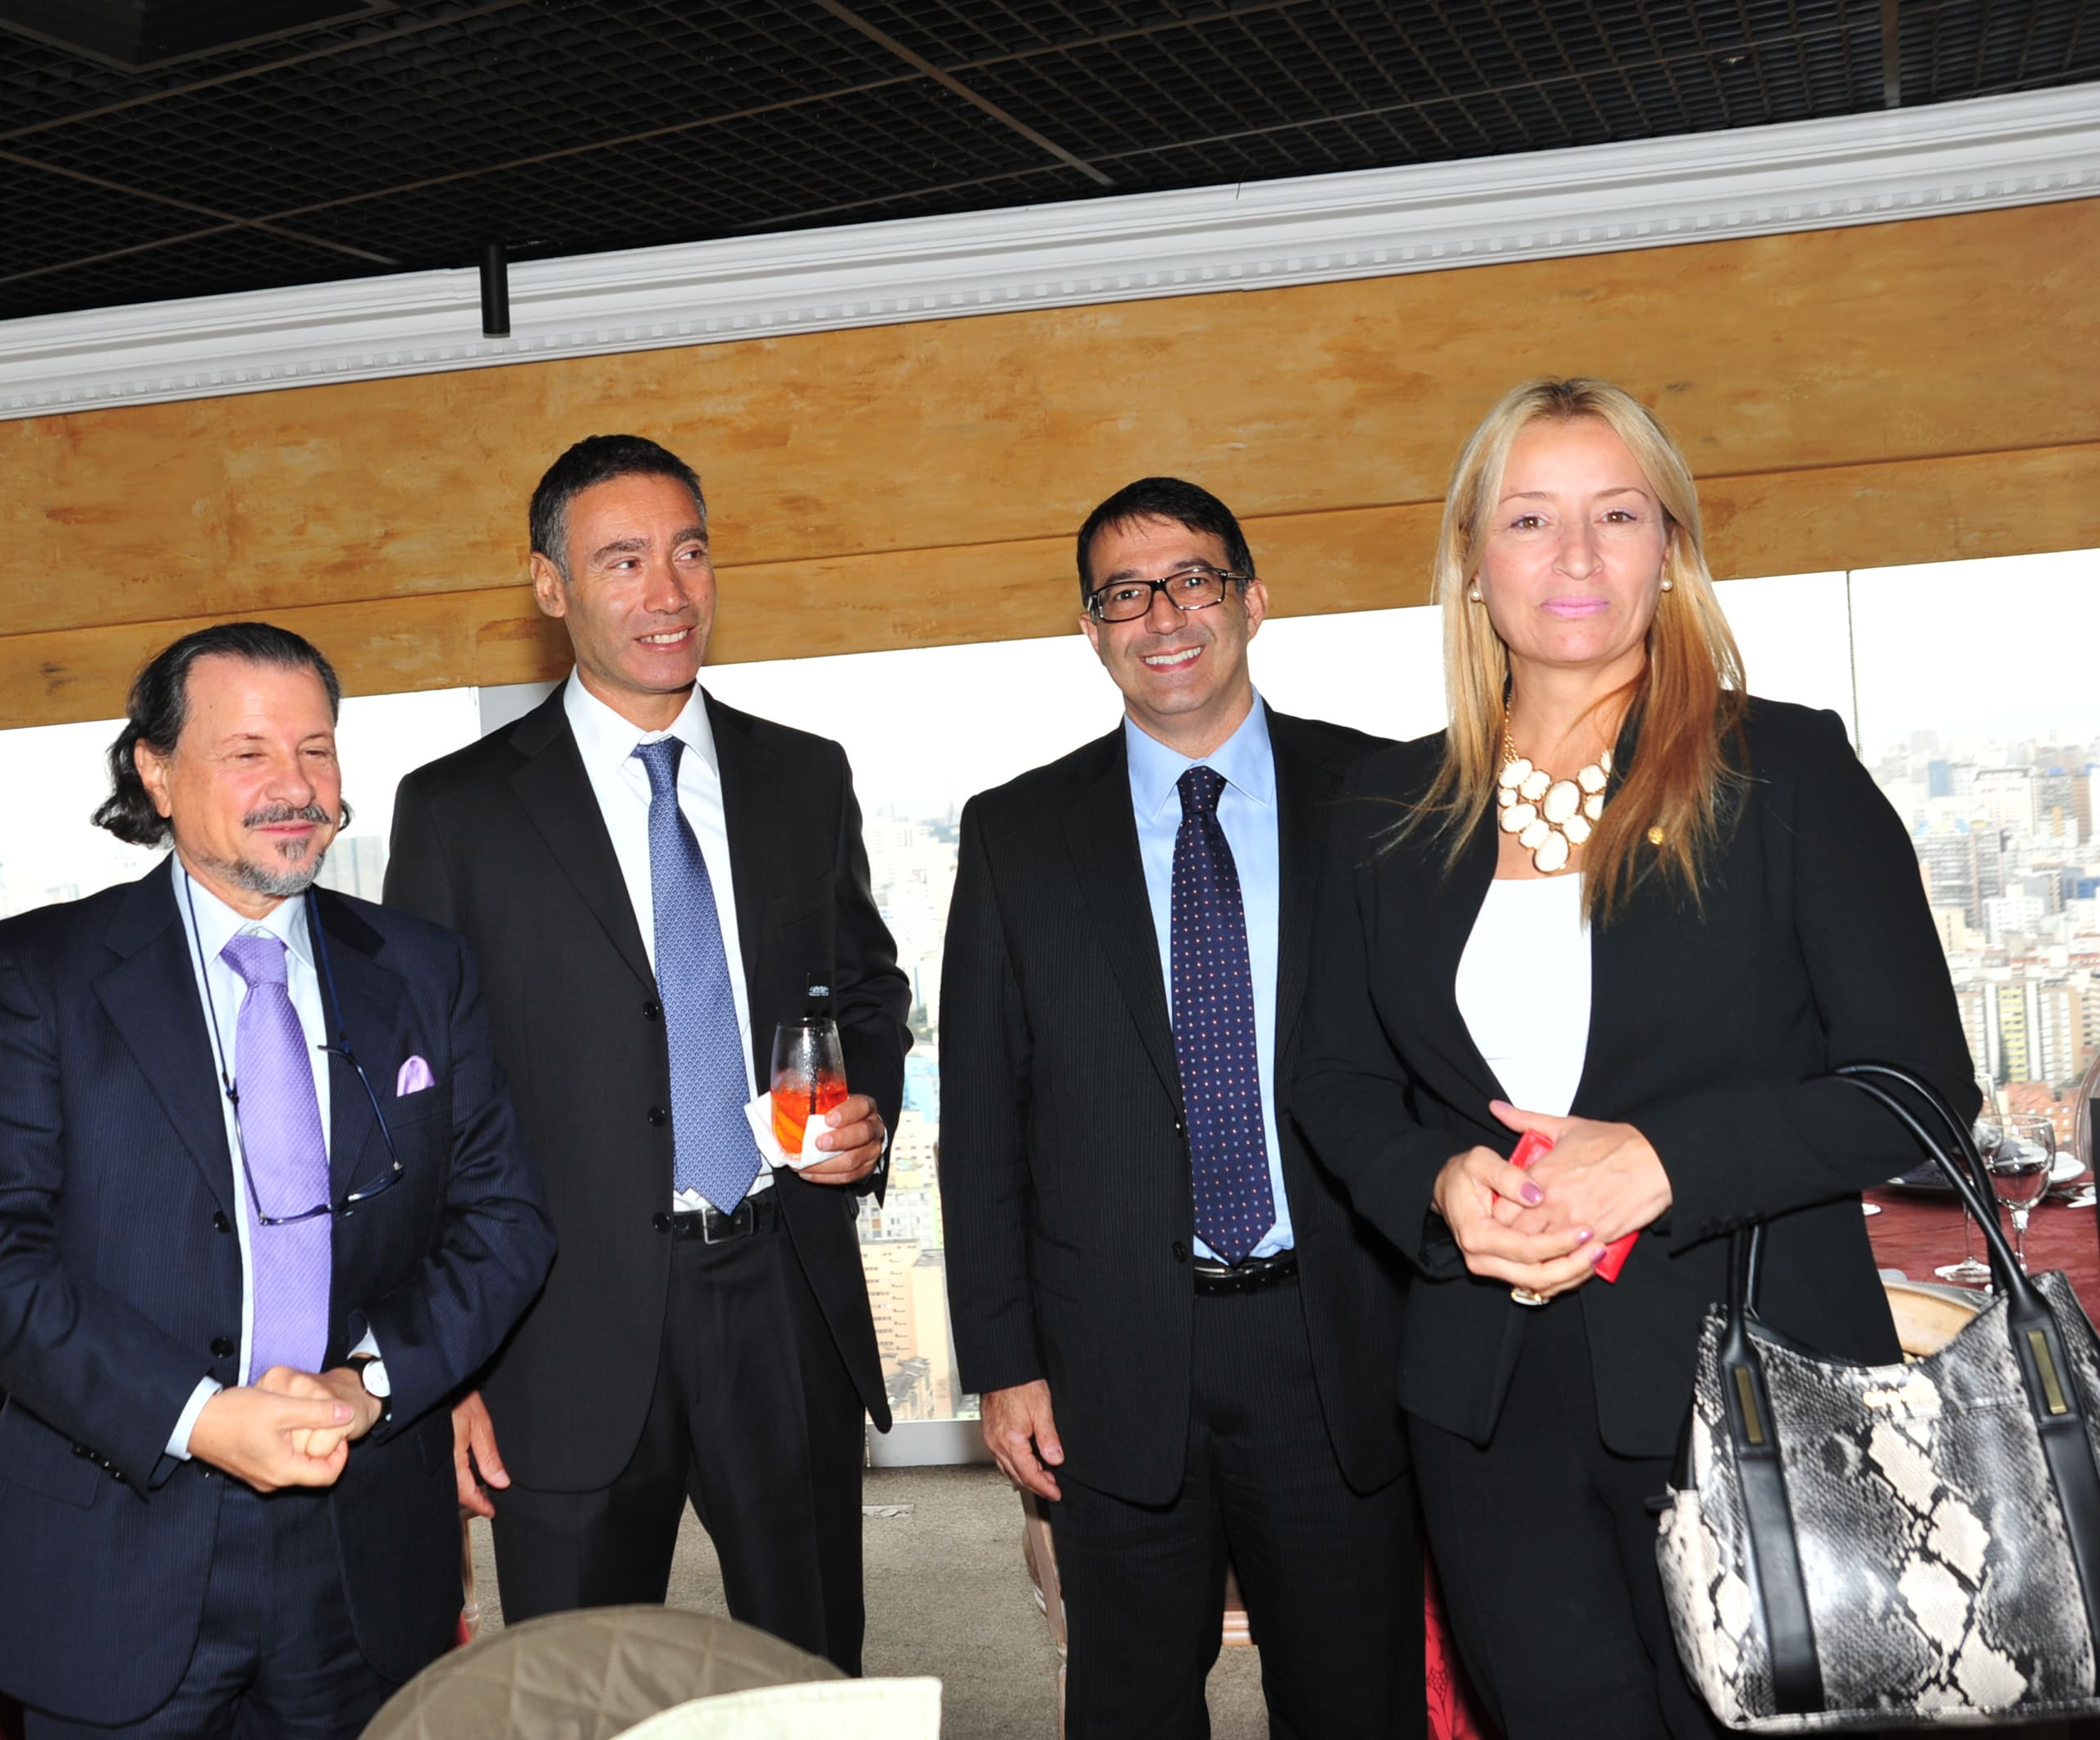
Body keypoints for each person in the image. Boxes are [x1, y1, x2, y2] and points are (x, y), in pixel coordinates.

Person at [1293, 378, 1979, 1740]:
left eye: (1616, 515)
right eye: (1529, 519)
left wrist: (1665, 1162)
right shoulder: (1385, 807)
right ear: (1471, 564)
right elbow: (1337, 1081)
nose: (1575, 555)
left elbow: (1918, 1092)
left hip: (1757, 1384)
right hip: (1486, 1406)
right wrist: (1440, 1184)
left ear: (1669, 549)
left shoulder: (1784, 768)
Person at [0, 622, 555, 1738]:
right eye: (249, 753)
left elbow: (503, 1222)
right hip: (121, 1547)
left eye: (316, 750)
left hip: (365, 1551)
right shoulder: (39, 975)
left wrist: (372, 1384)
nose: (294, 787)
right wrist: (200, 1418)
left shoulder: (423, 969)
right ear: (157, 773)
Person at [382, 433, 910, 1674]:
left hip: (782, 1291)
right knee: (577, 1688)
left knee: (810, 1678)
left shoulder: (803, 776)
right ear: (550, 584)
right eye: (624, 560)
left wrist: (867, 1111)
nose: (669, 592)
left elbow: (867, 986)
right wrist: (442, 1365)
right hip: (559, 1328)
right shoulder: (458, 810)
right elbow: (419, 1105)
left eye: (689, 552)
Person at [939, 476, 1423, 1738]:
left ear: (1252, 601)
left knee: (1355, 1702)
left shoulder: (1387, 797)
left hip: (1338, 1339)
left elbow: (1440, 1073)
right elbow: (982, 1127)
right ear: (1091, 630)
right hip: (1113, 1359)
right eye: (1124, 594)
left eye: (1193, 580)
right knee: (1132, 1708)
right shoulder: (1016, 835)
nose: (1162, 615)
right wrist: (1005, 1364)